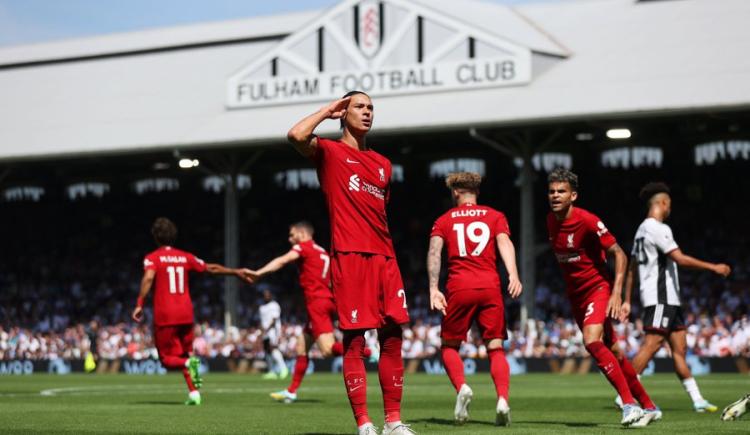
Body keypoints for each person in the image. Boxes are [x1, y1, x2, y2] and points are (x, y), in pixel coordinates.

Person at [287, 91, 413, 435]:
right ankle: (364, 423)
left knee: (392, 336)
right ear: (344, 113)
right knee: (355, 340)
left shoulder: (384, 165)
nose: (368, 112)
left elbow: (380, 213)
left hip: (385, 257)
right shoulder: (329, 152)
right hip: (350, 255)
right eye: (359, 106)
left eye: (371, 107)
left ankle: (394, 422)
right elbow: (296, 135)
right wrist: (328, 110)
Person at [545, 168, 658, 427]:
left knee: (591, 341)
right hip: (575, 297)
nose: (555, 195)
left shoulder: (587, 220)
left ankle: (629, 405)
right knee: (615, 352)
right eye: (551, 191)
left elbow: (619, 253)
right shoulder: (551, 221)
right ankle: (650, 407)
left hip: (598, 288)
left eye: (561, 191)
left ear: (573, 195)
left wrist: (615, 292)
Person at [620, 182, 731, 412]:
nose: (670, 209)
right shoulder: (658, 228)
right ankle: (626, 395)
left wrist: (628, 300)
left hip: (669, 298)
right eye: (669, 204)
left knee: (679, 349)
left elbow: (631, 269)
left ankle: (697, 400)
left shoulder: (640, 230)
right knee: (652, 344)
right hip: (661, 297)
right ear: (663, 203)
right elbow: (680, 259)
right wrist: (713, 267)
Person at [427, 172, 522, 426]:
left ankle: (462, 388)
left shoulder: (443, 220)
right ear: (476, 193)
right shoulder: (494, 216)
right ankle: (502, 399)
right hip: (490, 285)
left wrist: (433, 288)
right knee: (495, 347)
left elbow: (435, 252)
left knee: (449, 346)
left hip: (460, 287)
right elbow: (505, 242)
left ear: (455, 192)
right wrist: (513, 274)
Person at [244, 221, 371, 402]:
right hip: (326, 300)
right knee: (302, 346)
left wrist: (259, 273)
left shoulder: (304, 248)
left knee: (327, 350)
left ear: (302, 233)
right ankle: (291, 391)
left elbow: (283, 260)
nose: (290, 239)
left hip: (316, 303)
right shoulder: (323, 253)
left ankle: (369, 352)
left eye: (292, 234)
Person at [131, 217, 246, 405]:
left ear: (155, 237)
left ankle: (187, 366)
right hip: (186, 314)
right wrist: (234, 272)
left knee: (167, 360)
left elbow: (148, 278)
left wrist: (139, 303)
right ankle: (194, 394)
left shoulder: (152, 258)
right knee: (185, 354)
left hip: (166, 314)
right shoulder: (185, 256)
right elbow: (211, 268)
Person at [258, 289, 288, 380]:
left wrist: (267, 329)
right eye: (264, 295)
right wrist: (261, 330)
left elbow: (274, 319)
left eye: (267, 295)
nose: (266, 296)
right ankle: (272, 371)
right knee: (267, 350)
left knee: (273, 348)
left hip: (272, 331)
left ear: (271, 295)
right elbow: (262, 321)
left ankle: (283, 369)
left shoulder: (274, 305)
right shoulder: (262, 307)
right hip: (265, 331)